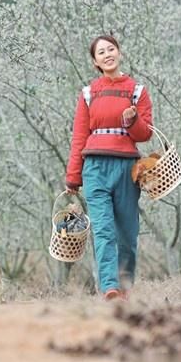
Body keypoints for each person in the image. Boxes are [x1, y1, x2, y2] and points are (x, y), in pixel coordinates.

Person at [65, 35, 153, 301]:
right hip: (94, 167)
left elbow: (145, 134)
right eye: (101, 52)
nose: (107, 54)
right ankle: (109, 287)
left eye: (111, 49)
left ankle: (125, 286)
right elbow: (79, 136)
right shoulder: (88, 93)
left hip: (127, 167)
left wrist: (132, 120)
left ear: (119, 53)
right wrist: (73, 176)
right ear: (95, 61)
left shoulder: (137, 91)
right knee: (103, 229)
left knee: (127, 232)